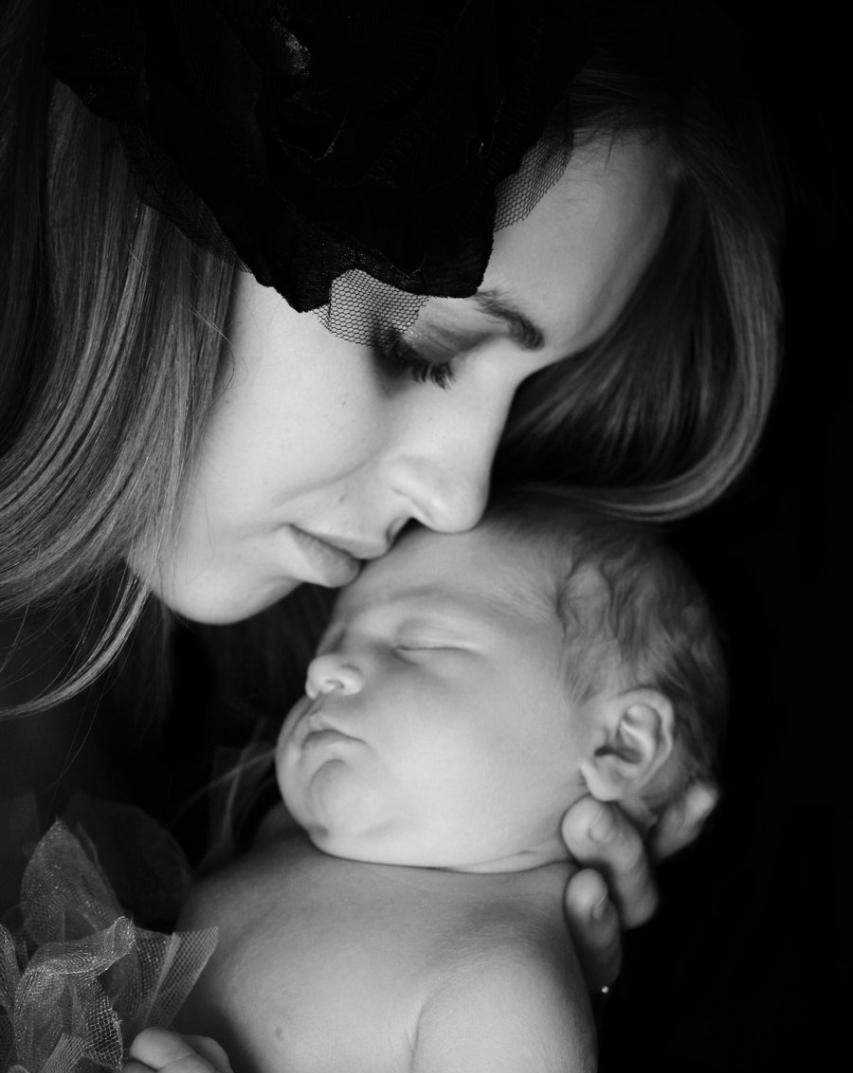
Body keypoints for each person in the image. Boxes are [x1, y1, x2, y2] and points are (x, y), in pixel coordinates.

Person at [0, 1, 783, 999]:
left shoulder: (219, 738)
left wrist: (420, 972)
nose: (456, 503)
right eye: (419, 348)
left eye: (524, 397)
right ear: (166, 192)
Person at [68, 493, 792, 1073]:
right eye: (335, 642)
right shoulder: (281, 833)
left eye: (417, 643)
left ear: (620, 745)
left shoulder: (501, 979)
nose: (322, 671)